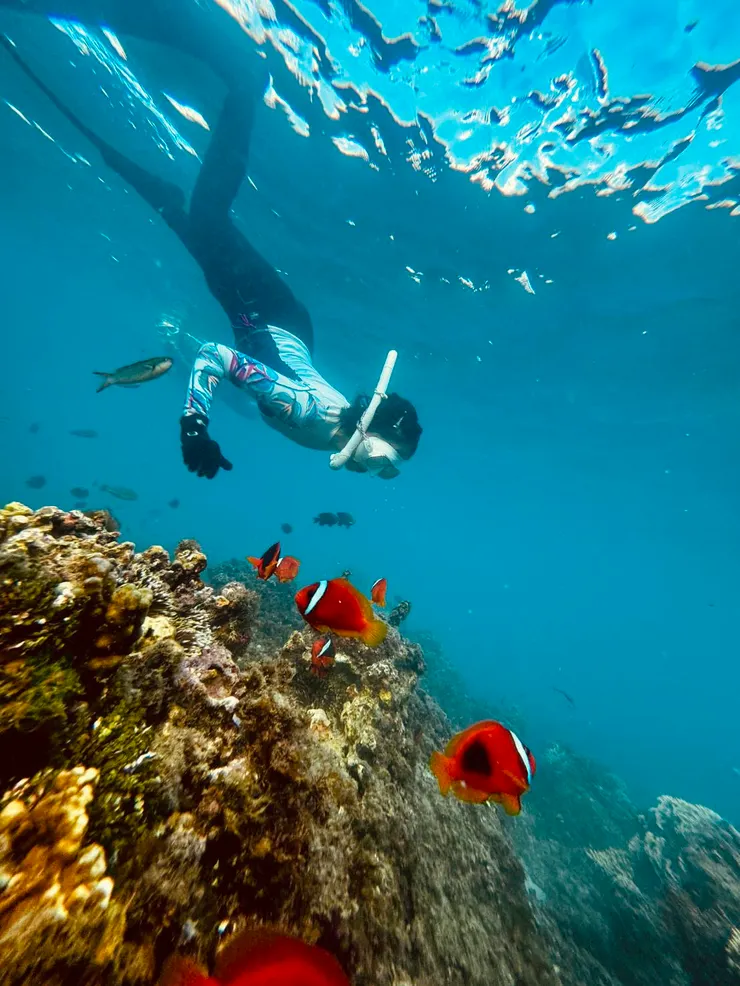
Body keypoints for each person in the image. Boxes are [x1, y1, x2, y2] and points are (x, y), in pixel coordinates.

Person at [2, 38, 422, 480]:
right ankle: (245, 84)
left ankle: (169, 205)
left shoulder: (330, 428)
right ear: (367, 436)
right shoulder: (301, 407)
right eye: (382, 461)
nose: (376, 470)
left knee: (198, 235)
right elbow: (213, 355)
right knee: (207, 216)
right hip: (267, 314)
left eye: (387, 469)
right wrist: (193, 428)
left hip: (276, 329)